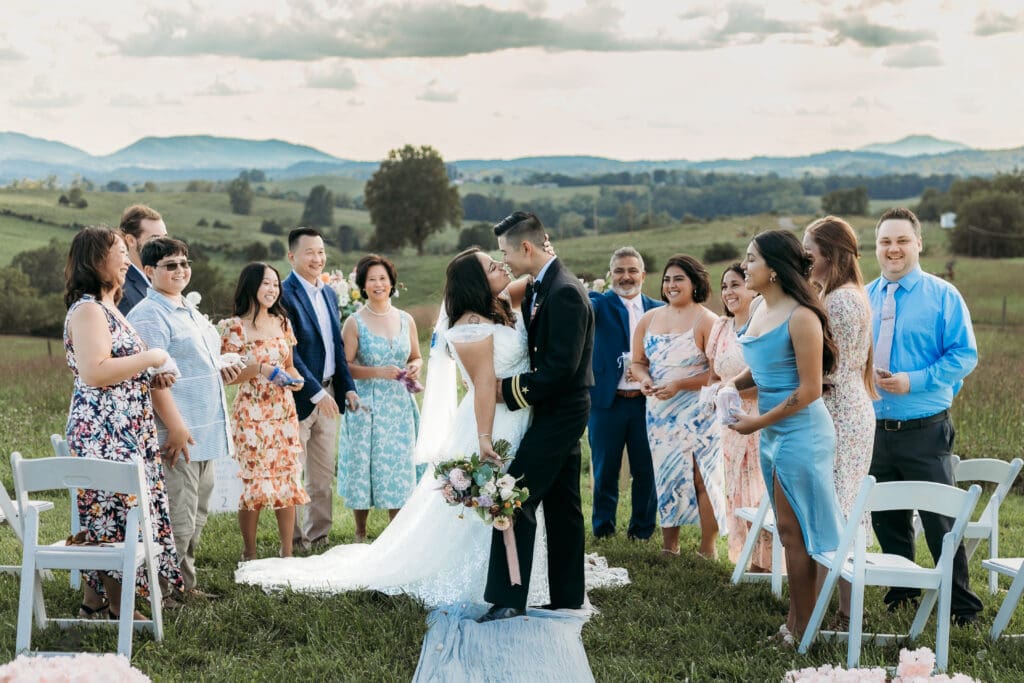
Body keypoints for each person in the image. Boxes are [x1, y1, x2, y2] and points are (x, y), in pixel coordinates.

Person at [236, 248, 566, 605]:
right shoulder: (471, 324)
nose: (500, 266)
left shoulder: (499, 300)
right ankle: (490, 576)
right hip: (490, 419)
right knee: (488, 498)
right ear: (476, 281)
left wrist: (538, 252)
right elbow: (484, 385)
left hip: (517, 415)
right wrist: (484, 436)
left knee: (517, 495)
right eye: (491, 265)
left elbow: (532, 276)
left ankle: (519, 572)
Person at [724, 229, 842, 644]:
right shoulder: (758, 308)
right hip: (773, 431)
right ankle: (796, 624)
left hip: (802, 432)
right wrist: (730, 387)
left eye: (752, 259)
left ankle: (802, 631)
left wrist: (756, 423)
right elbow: (759, 369)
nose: (745, 266)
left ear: (774, 269)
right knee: (788, 531)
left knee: (797, 532)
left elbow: (809, 389)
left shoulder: (802, 316)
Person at [866, 207, 982, 625]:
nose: (892, 248)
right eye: (885, 241)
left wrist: (912, 380)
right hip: (875, 429)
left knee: (940, 519)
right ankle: (904, 591)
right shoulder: (865, 296)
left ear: (918, 244)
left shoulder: (943, 295)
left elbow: (964, 356)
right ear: (876, 247)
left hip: (925, 429)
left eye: (901, 240)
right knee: (887, 516)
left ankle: (962, 605)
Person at [478, 211, 595, 623]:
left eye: (505, 252)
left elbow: (561, 368)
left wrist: (505, 391)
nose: (504, 260)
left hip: (560, 410)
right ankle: (567, 596)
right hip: (557, 408)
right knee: (563, 504)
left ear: (526, 247)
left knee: (513, 494)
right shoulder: (544, 284)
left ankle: (508, 598)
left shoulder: (563, 290)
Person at [62, 226, 184, 620]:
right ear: (96, 260)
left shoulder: (110, 308)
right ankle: (119, 607)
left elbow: (118, 366)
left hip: (126, 426)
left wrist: (149, 375)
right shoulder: (87, 310)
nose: (127, 259)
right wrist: (152, 358)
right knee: (112, 512)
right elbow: (95, 372)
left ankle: (94, 603)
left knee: (121, 511)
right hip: (103, 430)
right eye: (119, 252)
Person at [127, 237, 235, 598]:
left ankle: (185, 584)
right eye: (170, 265)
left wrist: (221, 368)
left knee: (197, 514)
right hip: (178, 431)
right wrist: (174, 426)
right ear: (148, 271)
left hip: (205, 429)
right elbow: (154, 377)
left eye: (184, 263)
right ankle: (165, 592)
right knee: (177, 516)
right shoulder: (148, 314)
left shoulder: (187, 309)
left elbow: (191, 363)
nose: (180, 270)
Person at [803, 216, 879, 629]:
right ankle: (833, 608)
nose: (803, 259)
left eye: (809, 252)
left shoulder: (843, 301)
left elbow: (828, 366)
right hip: (841, 407)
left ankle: (847, 613)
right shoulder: (833, 294)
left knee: (841, 508)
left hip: (842, 413)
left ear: (829, 255)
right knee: (837, 504)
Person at [630, 254, 724, 558]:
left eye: (679, 278)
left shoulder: (708, 320)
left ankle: (707, 547)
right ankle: (670, 545)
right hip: (659, 412)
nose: (671, 284)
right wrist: (644, 380)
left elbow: (718, 372)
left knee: (701, 475)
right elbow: (638, 362)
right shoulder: (649, 319)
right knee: (667, 474)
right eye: (667, 279)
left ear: (695, 282)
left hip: (698, 412)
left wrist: (680, 384)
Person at [220, 263, 310, 560]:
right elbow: (229, 375)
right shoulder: (234, 327)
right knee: (253, 483)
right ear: (251, 286)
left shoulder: (283, 322)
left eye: (275, 284)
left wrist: (296, 380)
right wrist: (259, 369)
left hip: (283, 412)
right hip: (251, 414)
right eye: (266, 284)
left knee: (287, 480)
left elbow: (289, 365)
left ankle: (287, 554)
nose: (272, 289)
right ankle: (250, 553)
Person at [280, 227, 359, 551]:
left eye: (321, 252)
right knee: (294, 475)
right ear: (292, 256)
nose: (317, 258)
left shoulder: (328, 292)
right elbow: (290, 351)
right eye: (310, 252)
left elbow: (336, 348)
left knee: (323, 477)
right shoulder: (283, 293)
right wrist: (316, 393)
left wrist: (347, 388)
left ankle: (319, 536)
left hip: (329, 395)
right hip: (299, 397)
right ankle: (296, 541)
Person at [337, 254, 421, 541]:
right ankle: (360, 532)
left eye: (383, 278)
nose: (378, 284)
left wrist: (414, 367)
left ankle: (396, 535)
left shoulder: (406, 319)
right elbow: (344, 368)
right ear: (363, 285)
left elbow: (417, 356)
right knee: (364, 465)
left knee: (398, 465)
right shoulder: (354, 322)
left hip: (399, 406)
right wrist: (378, 372)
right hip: (366, 406)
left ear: (392, 282)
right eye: (371, 279)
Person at [586, 247, 661, 541]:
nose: (626, 277)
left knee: (646, 469)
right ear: (610, 276)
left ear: (642, 275)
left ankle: (642, 530)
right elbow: (584, 305)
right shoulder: (598, 304)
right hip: (607, 402)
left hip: (646, 402)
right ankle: (603, 529)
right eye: (619, 271)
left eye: (632, 271)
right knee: (605, 470)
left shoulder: (658, 309)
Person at [706, 263, 770, 571]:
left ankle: (767, 563)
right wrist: (716, 394)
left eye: (736, 284)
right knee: (735, 490)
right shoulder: (720, 326)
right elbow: (713, 373)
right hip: (729, 423)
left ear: (754, 288)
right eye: (725, 286)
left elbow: (772, 375)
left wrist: (737, 393)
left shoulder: (765, 325)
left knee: (760, 491)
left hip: (760, 417)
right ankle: (743, 559)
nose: (729, 292)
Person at [117, 204, 167, 315]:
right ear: (131, 240)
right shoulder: (121, 289)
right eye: (155, 238)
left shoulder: (160, 279)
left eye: (165, 237)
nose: (164, 245)